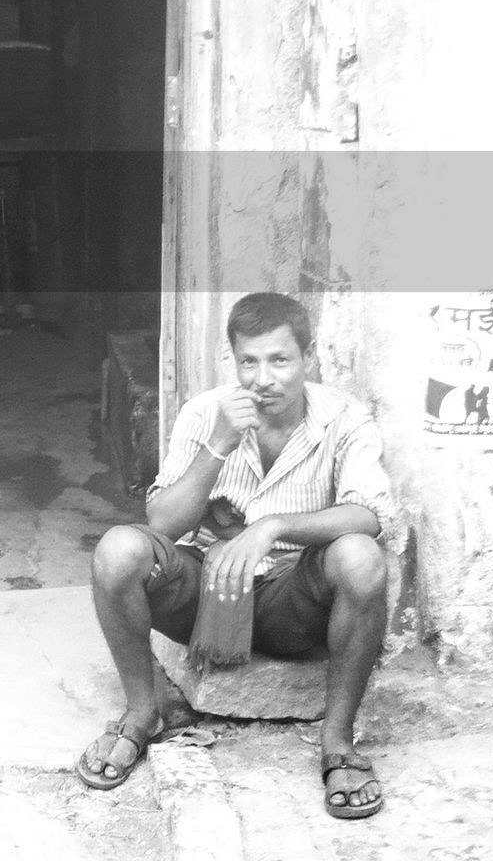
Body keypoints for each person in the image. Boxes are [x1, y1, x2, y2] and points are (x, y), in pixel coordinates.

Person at [78, 292, 392, 821]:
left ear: (309, 358)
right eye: (249, 361)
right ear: (234, 359)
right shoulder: (207, 412)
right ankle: (141, 714)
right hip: (206, 593)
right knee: (117, 551)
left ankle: (338, 743)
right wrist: (218, 445)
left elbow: (370, 515)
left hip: (297, 600)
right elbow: (162, 523)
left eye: (280, 360)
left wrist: (271, 527)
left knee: (361, 558)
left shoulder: (344, 418)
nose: (263, 378)